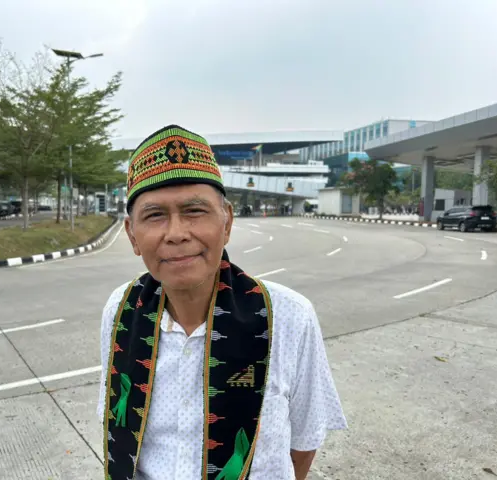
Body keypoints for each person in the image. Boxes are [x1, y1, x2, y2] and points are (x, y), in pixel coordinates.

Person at [98, 125, 347, 480]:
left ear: (226, 222)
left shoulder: (288, 316)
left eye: (195, 211)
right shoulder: (121, 311)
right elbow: (115, 421)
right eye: (155, 216)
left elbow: (304, 442)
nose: (176, 233)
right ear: (132, 235)